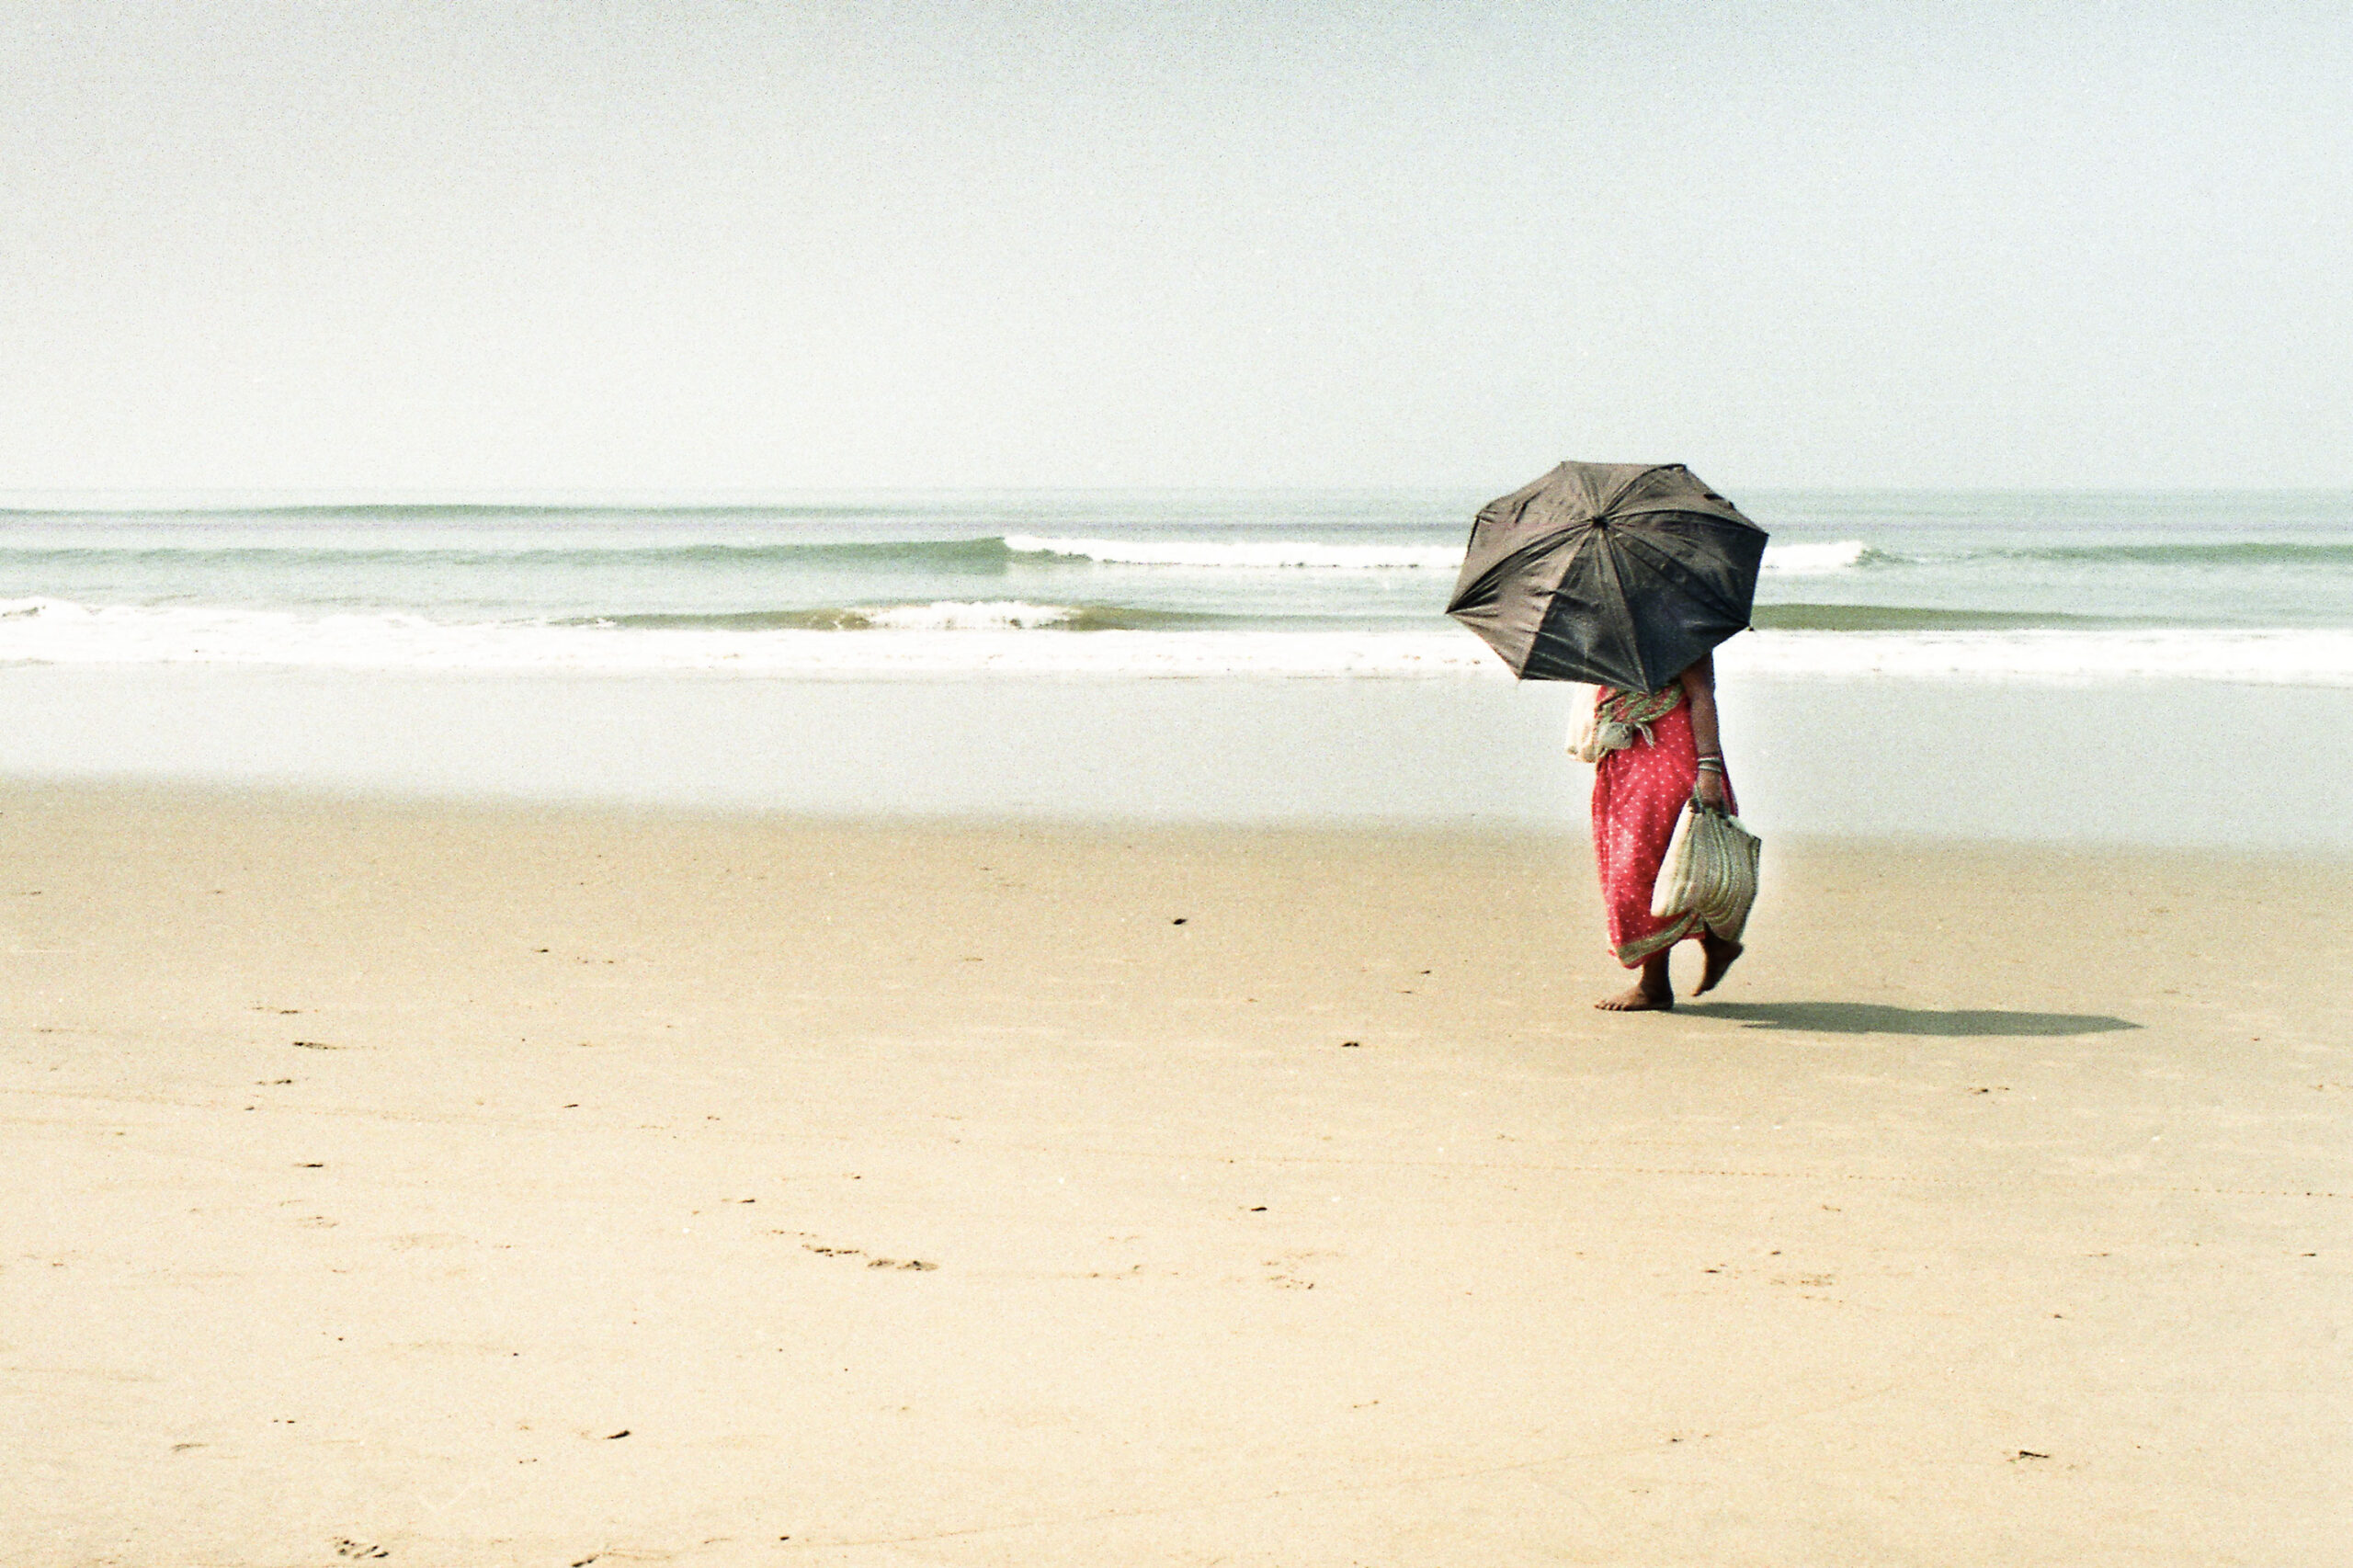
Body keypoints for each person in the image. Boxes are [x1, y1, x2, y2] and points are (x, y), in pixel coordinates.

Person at [1582, 651, 1742, 1011]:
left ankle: (1656, 984)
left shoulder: (1676, 621)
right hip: (1627, 757)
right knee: (1642, 868)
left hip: (1669, 754)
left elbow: (1702, 694)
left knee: (1646, 868)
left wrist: (1709, 768)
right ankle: (1710, 948)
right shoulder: (1612, 626)